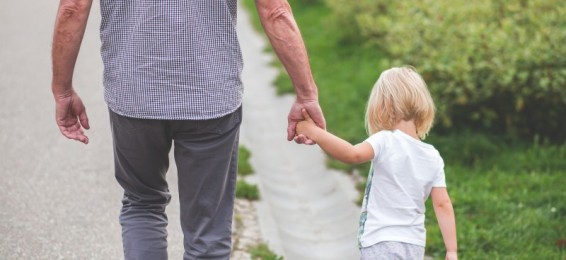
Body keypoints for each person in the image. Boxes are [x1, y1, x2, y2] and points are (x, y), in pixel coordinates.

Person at [51, 0, 325, 259]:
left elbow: (73, 8)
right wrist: (306, 94)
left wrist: (63, 90)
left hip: (134, 96)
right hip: (210, 95)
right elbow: (275, 10)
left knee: (142, 205)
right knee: (208, 229)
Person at [296, 66, 458, 260]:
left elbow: (351, 154)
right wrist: (451, 250)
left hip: (380, 240)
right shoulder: (432, 155)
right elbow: (442, 204)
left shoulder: (385, 140)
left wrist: (314, 132)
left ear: (383, 106)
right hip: (414, 245)